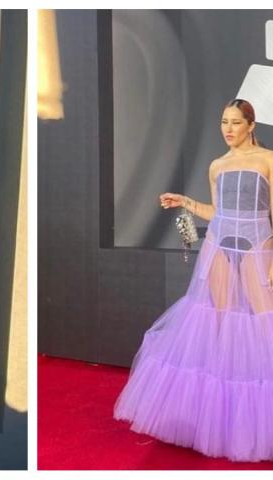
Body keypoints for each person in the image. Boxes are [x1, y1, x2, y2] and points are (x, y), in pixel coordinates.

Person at [113, 98, 273, 462]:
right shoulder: (218, 166)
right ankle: (216, 414)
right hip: (218, 244)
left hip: (258, 246)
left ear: (251, 125)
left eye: (235, 122)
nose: (228, 129)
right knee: (216, 320)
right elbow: (217, 212)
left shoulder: (268, 160)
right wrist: (185, 202)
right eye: (223, 122)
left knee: (265, 322)